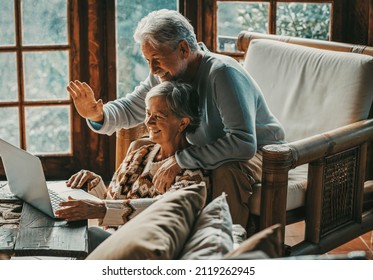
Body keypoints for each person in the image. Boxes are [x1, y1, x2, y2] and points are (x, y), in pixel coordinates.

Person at [66, 9, 285, 229]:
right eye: (147, 60)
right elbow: (133, 106)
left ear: (183, 49)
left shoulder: (223, 74)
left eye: (156, 59)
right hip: (209, 146)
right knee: (140, 145)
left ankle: (224, 244)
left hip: (263, 152)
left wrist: (181, 160)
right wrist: (97, 115)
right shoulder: (165, 71)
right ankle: (120, 219)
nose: (152, 69)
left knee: (226, 171)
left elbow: (243, 143)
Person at [56, 81, 208, 251]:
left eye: (158, 116)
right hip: (111, 236)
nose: (149, 122)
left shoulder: (192, 169)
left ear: (183, 123)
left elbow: (167, 209)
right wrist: (95, 184)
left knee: (81, 237)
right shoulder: (141, 152)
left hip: (138, 248)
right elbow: (113, 202)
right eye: (148, 113)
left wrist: (101, 209)